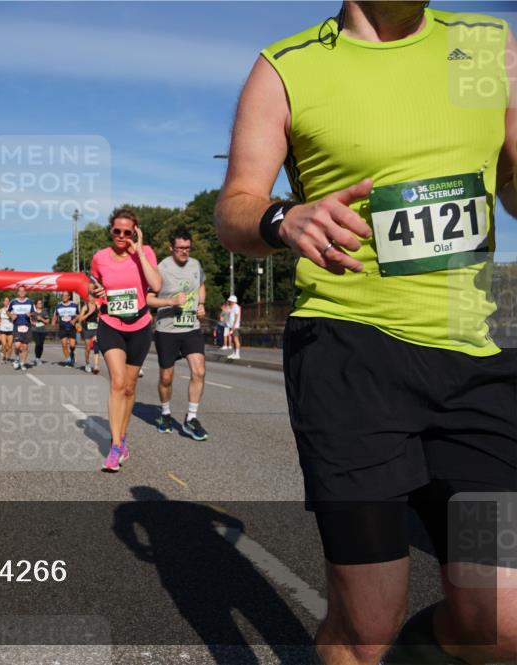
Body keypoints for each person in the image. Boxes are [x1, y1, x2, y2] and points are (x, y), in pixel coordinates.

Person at [215, 3, 516, 664]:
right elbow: (234, 207)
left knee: (500, 620)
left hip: (474, 359)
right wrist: (283, 219)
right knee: (366, 625)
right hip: (350, 354)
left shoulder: (489, 45)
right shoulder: (287, 67)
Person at [89, 208, 161, 473]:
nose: (121, 236)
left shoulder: (146, 252)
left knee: (130, 388)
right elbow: (92, 287)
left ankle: (122, 437)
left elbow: (157, 285)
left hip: (140, 326)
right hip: (110, 324)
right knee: (118, 382)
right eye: (116, 231)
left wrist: (139, 251)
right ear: (111, 230)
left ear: (135, 232)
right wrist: (95, 291)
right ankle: (116, 445)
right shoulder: (100, 257)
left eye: (127, 232)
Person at [147, 226, 208, 441]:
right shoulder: (161, 268)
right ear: (171, 247)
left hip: (191, 327)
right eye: (180, 248)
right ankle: (165, 413)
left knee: (199, 370)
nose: (184, 252)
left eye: (188, 248)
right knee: (166, 377)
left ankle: (191, 418)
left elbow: (201, 285)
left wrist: (201, 304)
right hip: (167, 329)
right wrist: (171, 301)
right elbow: (148, 299)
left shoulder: (195, 264)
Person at [7, 285, 36, 371]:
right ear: (18, 292)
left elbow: (34, 313)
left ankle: (22, 363)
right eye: (20, 291)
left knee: (25, 347)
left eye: (23, 291)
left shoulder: (30, 301)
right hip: (17, 326)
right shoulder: (13, 301)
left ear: (25, 292)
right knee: (17, 346)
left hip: (27, 326)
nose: (22, 292)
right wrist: (11, 315)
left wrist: (30, 314)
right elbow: (7, 311)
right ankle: (16, 359)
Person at [52, 291, 80, 367]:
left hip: (71, 327)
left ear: (69, 297)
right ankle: (69, 360)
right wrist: (53, 321)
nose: (64, 297)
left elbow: (78, 315)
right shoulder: (58, 306)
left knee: (72, 346)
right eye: (63, 295)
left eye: (66, 295)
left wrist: (74, 320)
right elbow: (55, 315)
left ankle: (72, 353)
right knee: (64, 345)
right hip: (63, 327)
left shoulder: (74, 305)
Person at [76, 293, 102, 374]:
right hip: (87, 330)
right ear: (87, 298)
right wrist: (89, 313)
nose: (92, 299)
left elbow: (100, 315)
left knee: (96, 346)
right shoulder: (85, 307)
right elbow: (80, 319)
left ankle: (96, 365)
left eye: (93, 297)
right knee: (87, 348)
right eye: (90, 297)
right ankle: (87, 363)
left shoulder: (97, 306)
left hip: (95, 329)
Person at [0, 296, 14, 364]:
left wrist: (9, 314)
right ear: (3, 302)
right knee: (4, 344)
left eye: (8, 301)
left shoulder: (12, 310)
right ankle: (4, 357)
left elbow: (13, 318)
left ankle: (8, 357)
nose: (7, 302)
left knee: (10, 345)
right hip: (3, 329)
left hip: (10, 329)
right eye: (5, 301)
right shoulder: (0, 310)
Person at [32, 298, 48, 366]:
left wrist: (41, 319)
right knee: (37, 343)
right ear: (36, 305)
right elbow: (29, 319)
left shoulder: (44, 311)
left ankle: (38, 357)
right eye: (38, 303)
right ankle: (37, 358)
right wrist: (32, 323)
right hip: (35, 330)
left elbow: (47, 321)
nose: (40, 304)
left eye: (41, 303)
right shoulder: (33, 312)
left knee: (41, 344)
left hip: (43, 330)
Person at [226, 295, 242, 360]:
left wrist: (233, 326)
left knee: (236, 340)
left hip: (235, 327)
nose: (229, 302)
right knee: (233, 340)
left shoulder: (236, 307)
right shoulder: (231, 307)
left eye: (230, 301)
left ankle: (237, 354)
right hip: (231, 326)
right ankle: (234, 353)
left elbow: (236, 317)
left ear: (233, 301)